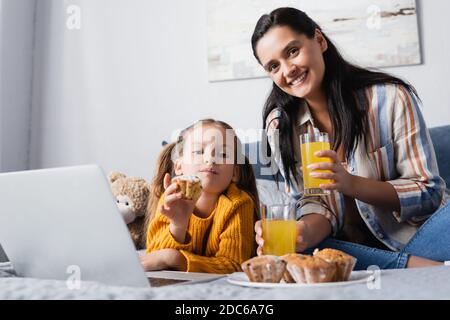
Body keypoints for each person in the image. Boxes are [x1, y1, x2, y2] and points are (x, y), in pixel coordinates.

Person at [251, 7, 449, 269]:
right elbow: (312, 202)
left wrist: (351, 184)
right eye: (273, 66)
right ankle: (418, 268)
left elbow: (429, 192)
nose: (288, 70)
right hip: (349, 248)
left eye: (293, 51)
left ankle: (401, 265)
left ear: (319, 41)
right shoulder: (280, 126)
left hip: (417, 236)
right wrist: (302, 232)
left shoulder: (389, 98)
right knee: (305, 250)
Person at [140, 119, 259, 273]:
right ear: (179, 166)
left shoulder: (238, 203)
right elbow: (155, 258)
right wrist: (178, 225)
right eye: (199, 151)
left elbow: (233, 265)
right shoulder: (172, 199)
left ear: (234, 173)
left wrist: (175, 258)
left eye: (223, 153)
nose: (210, 159)